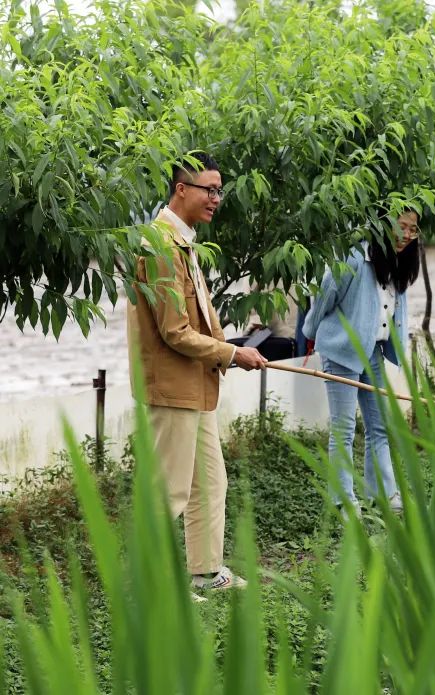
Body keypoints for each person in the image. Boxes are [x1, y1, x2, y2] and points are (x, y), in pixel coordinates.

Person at [127, 152, 268, 597]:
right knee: (168, 490)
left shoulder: (182, 240)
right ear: (181, 189)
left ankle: (205, 570)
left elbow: (198, 316)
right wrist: (231, 354)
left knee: (210, 481)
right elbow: (174, 331)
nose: (216, 198)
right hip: (172, 386)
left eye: (219, 190)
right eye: (209, 189)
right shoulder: (160, 244)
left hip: (196, 383)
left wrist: (227, 353)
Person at [302, 210, 421, 516]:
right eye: (401, 226)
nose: (406, 234)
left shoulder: (399, 264)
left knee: (380, 425)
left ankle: (383, 493)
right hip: (341, 350)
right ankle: (344, 501)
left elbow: (395, 313)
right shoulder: (355, 257)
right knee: (344, 427)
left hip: (373, 352)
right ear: (384, 224)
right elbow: (326, 295)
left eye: (413, 229)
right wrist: (311, 333)